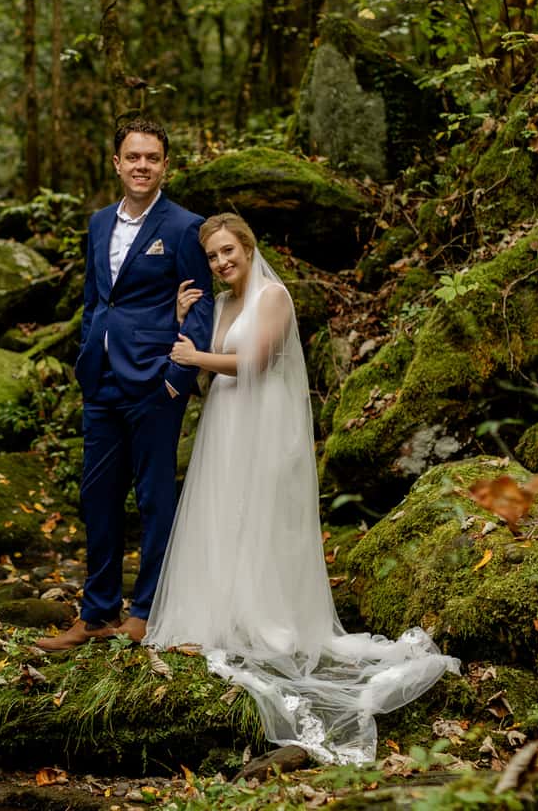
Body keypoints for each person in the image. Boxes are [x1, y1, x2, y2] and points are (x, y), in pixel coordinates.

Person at [146, 212, 457, 764]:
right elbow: (198, 377)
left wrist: (196, 356)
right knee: (223, 516)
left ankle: (268, 621)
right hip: (225, 424)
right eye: (213, 256)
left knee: (261, 520)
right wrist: (182, 323)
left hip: (263, 427)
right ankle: (225, 614)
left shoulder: (273, 296)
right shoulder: (218, 305)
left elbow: (255, 361)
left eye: (228, 251)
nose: (221, 263)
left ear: (248, 246)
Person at [35, 119, 214, 652]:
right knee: (98, 498)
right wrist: (87, 355)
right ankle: (96, 613)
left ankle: (144, 612)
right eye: (132, 157)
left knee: (155, 499)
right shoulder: (96, 224)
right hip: (102, 382)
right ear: (116, 163)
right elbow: (95, 300)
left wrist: (177, 378)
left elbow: (199, 306)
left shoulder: (185, 227)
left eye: (152, 158)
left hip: (156, 383)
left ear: (165, 165)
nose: (141, 166)